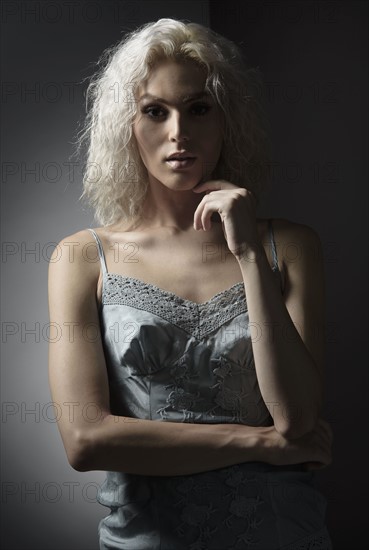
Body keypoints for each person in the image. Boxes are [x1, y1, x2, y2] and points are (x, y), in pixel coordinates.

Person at [48, 18, 333, 550]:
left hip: (281, 534)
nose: (179, 131)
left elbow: (297, 419)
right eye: (155, 111)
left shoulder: (289, 246)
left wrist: (247, 251)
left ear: (228, 119)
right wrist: (258, 444)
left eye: (198, 108)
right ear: (126, 127)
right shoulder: (83, 257)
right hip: (147, 539)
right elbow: (86, 441)